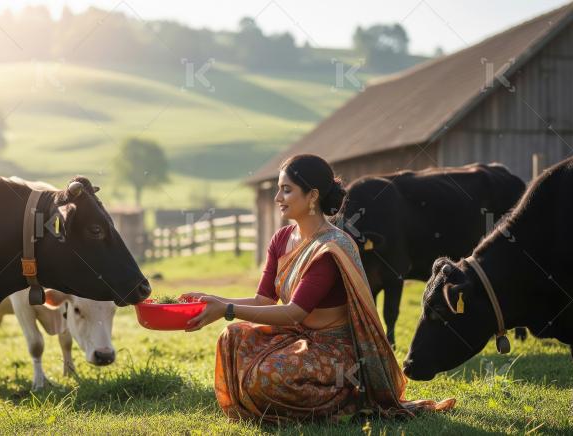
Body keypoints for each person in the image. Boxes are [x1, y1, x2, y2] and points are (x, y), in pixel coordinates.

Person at [183, 154, 455, 422]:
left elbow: (294, 313)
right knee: (232, 337)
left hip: (335, 351)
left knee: (265, 378)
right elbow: (263, 300)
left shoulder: (330, 248)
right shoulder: (282, 239)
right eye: (278, 190)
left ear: (312, 196)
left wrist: (227, 309)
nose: (278, 198)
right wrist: (214, 301)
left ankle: (345, 397)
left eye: (286, 190)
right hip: (297, 339)